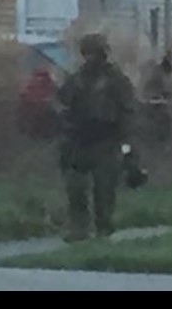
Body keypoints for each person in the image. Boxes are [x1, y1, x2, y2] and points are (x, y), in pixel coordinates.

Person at [56, 33, 137, 242]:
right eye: (88, 53)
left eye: (95, 53)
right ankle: (79, 228)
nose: (91, 58)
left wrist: (127, 143)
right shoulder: (75, 79)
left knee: (104, 189)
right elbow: (62, 104)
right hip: (79, 140)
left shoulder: (116, 80)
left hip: (106, 140)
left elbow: (128, 111)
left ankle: (103, 229)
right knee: (75, 187)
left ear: (103, 54)